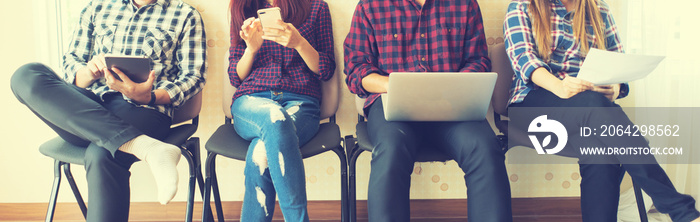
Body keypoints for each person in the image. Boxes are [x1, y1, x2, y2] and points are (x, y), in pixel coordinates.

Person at [504, 0, 700, 221]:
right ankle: (680, 209)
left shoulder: (599, 9)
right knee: (594, 106)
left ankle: (675, 208)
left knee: (599, 149)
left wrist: (614, 88)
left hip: (587, 108)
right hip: (531, 106)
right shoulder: (522, 7)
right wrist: (560, 87)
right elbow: (524, 60)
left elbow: (618, 60)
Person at [10, 0, 206, 221]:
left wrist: (148, 96)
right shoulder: (97, 7)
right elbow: (71, 66)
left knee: (103, 152)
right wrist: (88, 73)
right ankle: (147, 147)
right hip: (90, 104)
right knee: (25, 75)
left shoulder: (185, 14)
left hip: (144, 109)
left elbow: (194, 77)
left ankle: (135, 143)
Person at [344, 0, 513, 221]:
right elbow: (356, 70)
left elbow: (478, 60)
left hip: (452, 106)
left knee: (484, 147)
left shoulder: (465, 4)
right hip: (392, 106)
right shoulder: (370, 5)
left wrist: (452, 88)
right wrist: (392, 85)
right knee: (391, 148)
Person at [228, 0, 335, 221]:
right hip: (251, 100)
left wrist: (300, 43)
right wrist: (251, 49)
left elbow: (326, 70)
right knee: (274, 118)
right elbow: (235, 77)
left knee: (261, 150)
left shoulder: (316, 7)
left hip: (301, 101)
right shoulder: (242, 7)